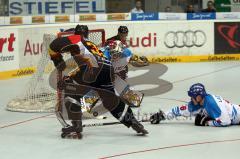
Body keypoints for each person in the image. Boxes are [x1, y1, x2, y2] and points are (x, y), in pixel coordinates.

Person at [49, 25, 148, 138]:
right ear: (87, 34)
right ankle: (133, 122)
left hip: (94, 69)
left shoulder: (76, 39)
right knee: (111, 101)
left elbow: (53, 45)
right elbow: (89, 64)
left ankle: (76, 125)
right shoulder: (91, 45)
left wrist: (57, 60)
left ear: (76, 33)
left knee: (71, 91)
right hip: (107, 68)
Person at [150, 83, 240, 127]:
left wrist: (207, 123)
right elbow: (180, 110)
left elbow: (226, 122)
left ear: (199, 96)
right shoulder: (196, 104)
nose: (191, 98)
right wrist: (162, 116)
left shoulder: (212, 103)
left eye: (192, 96)